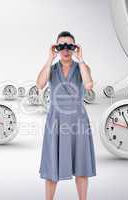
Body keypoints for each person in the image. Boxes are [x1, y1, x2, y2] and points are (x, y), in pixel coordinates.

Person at [36, 31, 97, 200]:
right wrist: (50, 58)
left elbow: (89, 84)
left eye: (69, 46)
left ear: (74, 48)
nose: (65, 50)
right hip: (55, 121)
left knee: (81, 166)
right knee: (51, 167)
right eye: (61, 46)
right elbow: (40, 84)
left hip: (78, 121)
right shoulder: (52, 69)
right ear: (56, 48)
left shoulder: (81, 68)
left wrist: (81, 59)